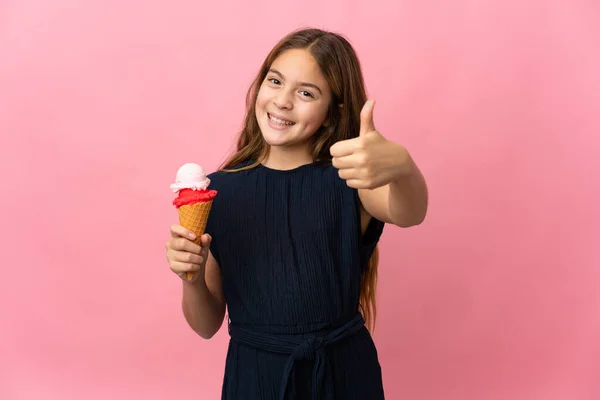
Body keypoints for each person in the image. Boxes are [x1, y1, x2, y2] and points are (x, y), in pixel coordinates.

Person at [165, 27, 428, 400]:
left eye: (306, 92)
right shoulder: (218, 192)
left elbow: (409, 213)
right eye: (275, 81)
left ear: (333, 110)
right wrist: (190, 277)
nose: (283, 101)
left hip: (342, 375)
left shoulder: (351, 178)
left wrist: (403, 167)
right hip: (255, 379)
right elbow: (206, 325)